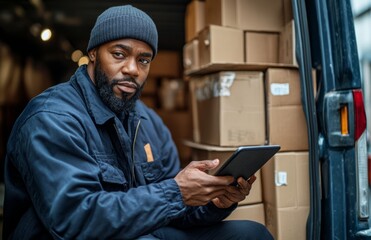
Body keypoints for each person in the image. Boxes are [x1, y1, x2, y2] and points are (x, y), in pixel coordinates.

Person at [3, 5, 273, 240]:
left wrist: (213, 202)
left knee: (252, 234)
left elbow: (169, 210)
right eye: (119, 54)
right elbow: (74, 221)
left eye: (143, 60)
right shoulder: (52, 118)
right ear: (94, 54)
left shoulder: (148, 122)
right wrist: (175, 192)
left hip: (137, 231)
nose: (133, 69)